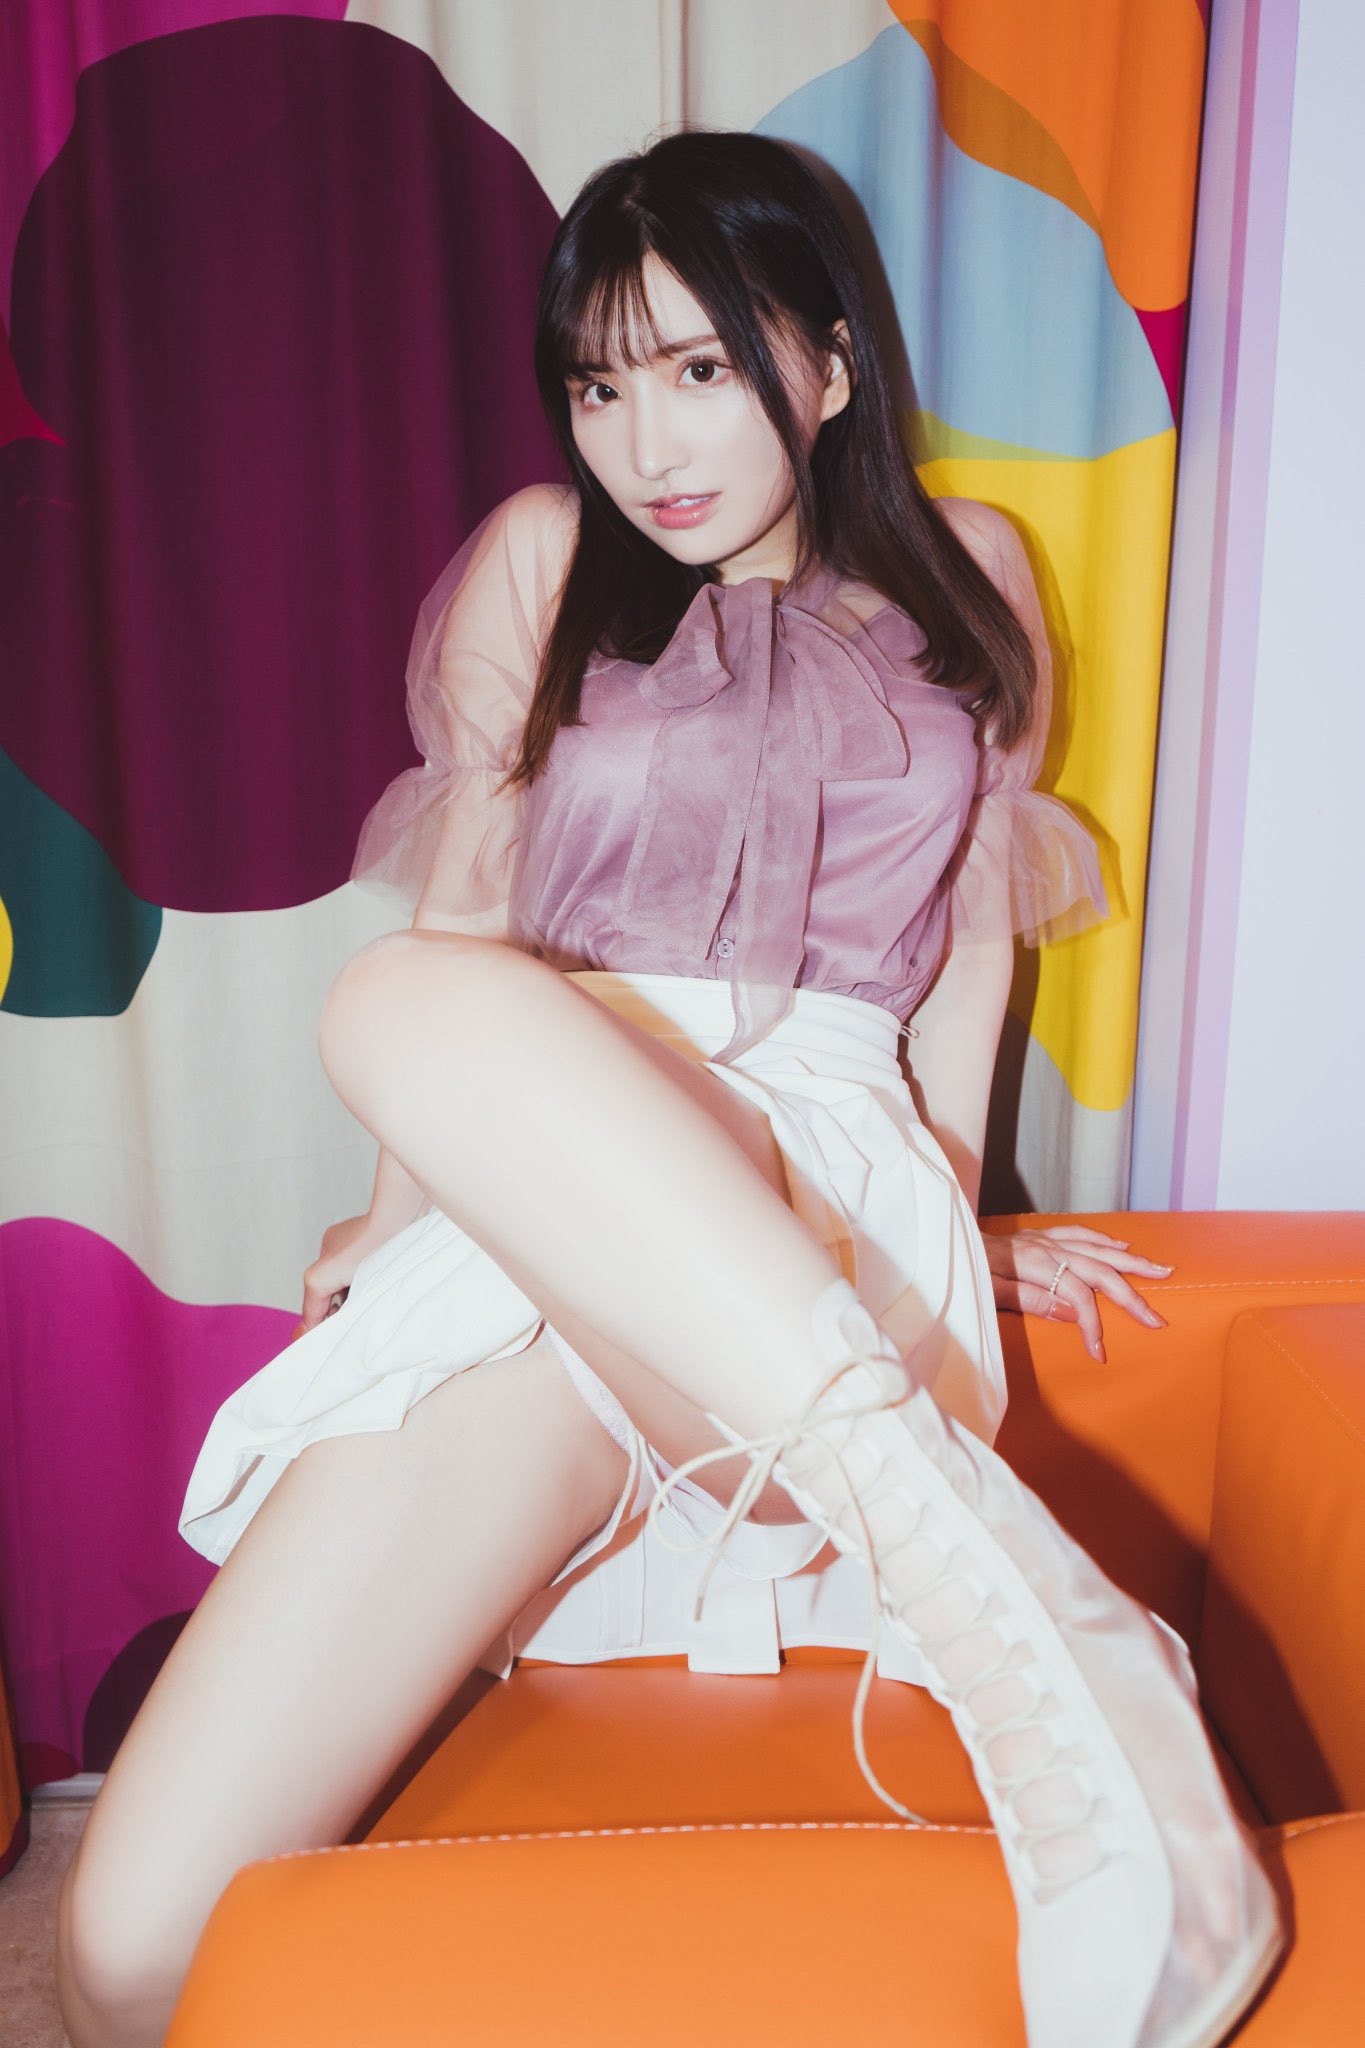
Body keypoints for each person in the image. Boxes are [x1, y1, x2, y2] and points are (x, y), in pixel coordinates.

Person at [56, 130, 1282, 2048]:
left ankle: (1012, 1628)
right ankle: (1021, 1597)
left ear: (832, 361)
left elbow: (968, 954)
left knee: (409, 998)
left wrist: (955, 1218)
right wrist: (389, 1229)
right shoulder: (543, 560)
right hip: (533, 1186)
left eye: (701, 369)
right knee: (128, 1957)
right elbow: (469, 916)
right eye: (599, 386)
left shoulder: (971, 570)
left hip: (822, 1191)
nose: (646, 443)